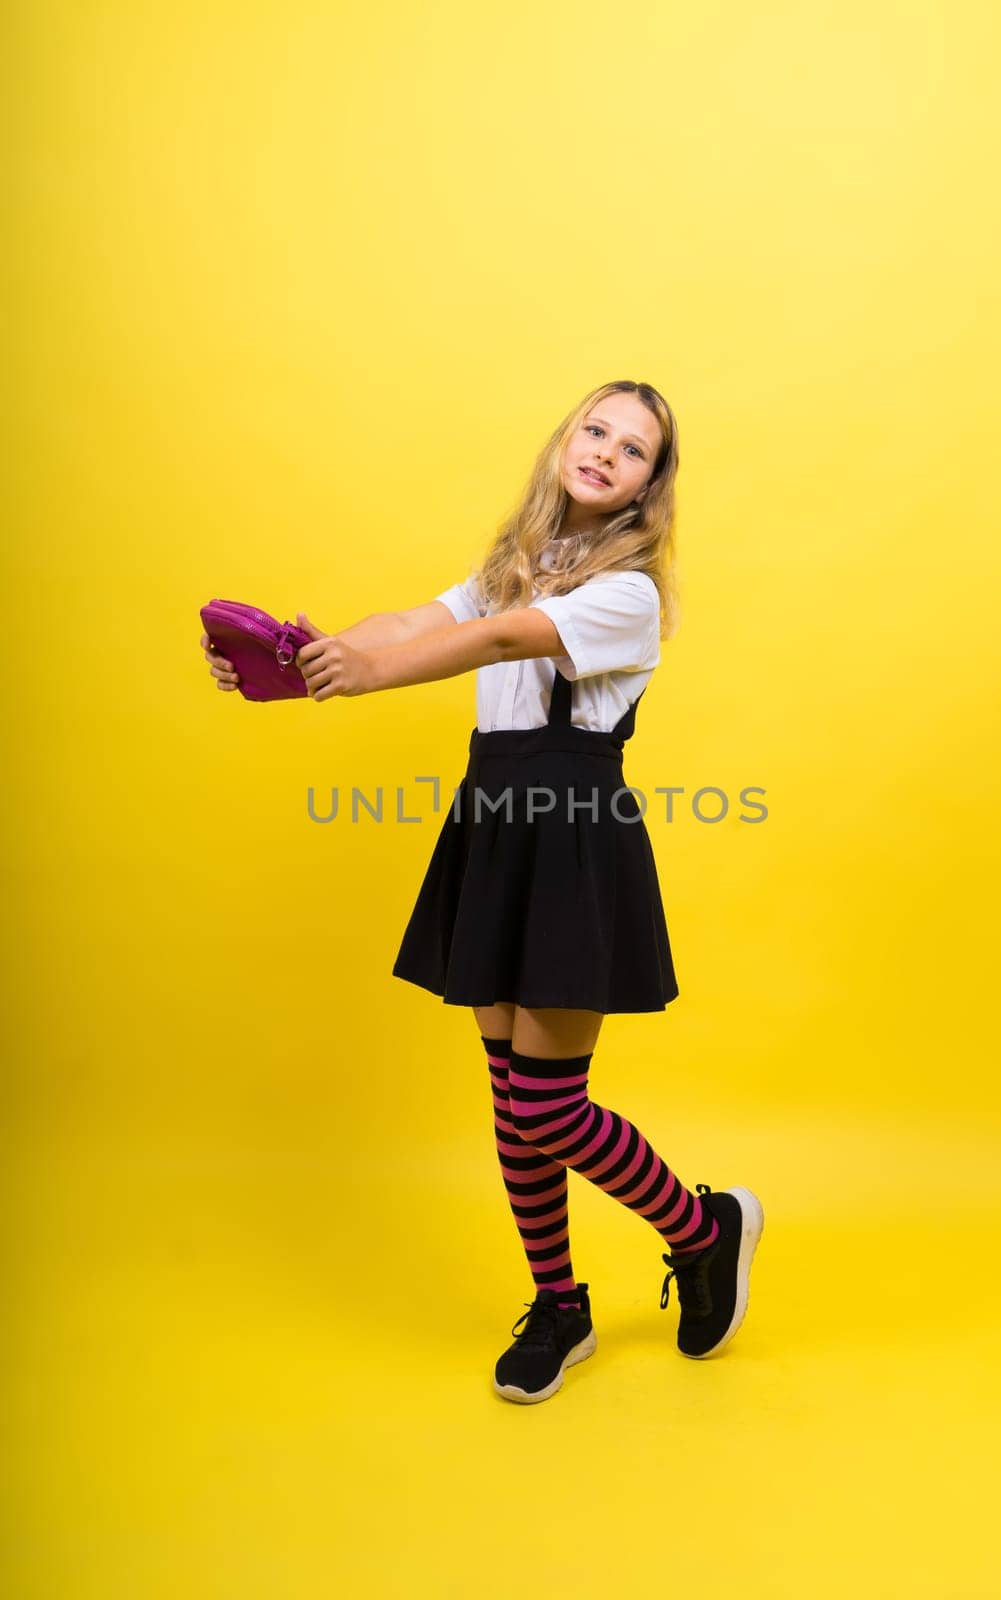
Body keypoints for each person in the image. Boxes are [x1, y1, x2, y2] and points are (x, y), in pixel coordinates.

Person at [201, 379, 763, 1406]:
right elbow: (419, 616)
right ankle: (560, 1304)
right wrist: (309, 658)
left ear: (649, 486)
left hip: (571, 836)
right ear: (565, 439)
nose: (603, 452)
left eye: (631, 449)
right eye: (594, 429)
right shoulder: (515, 565)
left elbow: (504, 641)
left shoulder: (626, 594)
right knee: (512, 1098)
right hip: (494, 822)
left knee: (551, 1104)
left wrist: (370, 677)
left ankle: (701, 1226)